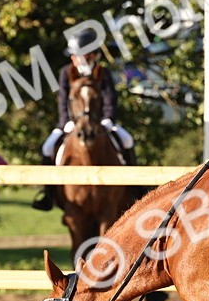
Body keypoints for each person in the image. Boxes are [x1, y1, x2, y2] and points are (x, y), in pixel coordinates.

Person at [33, 28, 136, 211]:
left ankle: (135, 189)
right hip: (71, 122)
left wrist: (108, 119)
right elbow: (63, 99)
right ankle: (47, 193)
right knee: (47, 147)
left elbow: (110, 98)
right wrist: (67, 121)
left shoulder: (102, 72)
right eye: (73, 55)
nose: (73, 58)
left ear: (89, 54)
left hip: (101, 121)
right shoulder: (67, 72)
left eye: (76, 54)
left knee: (127, 140)